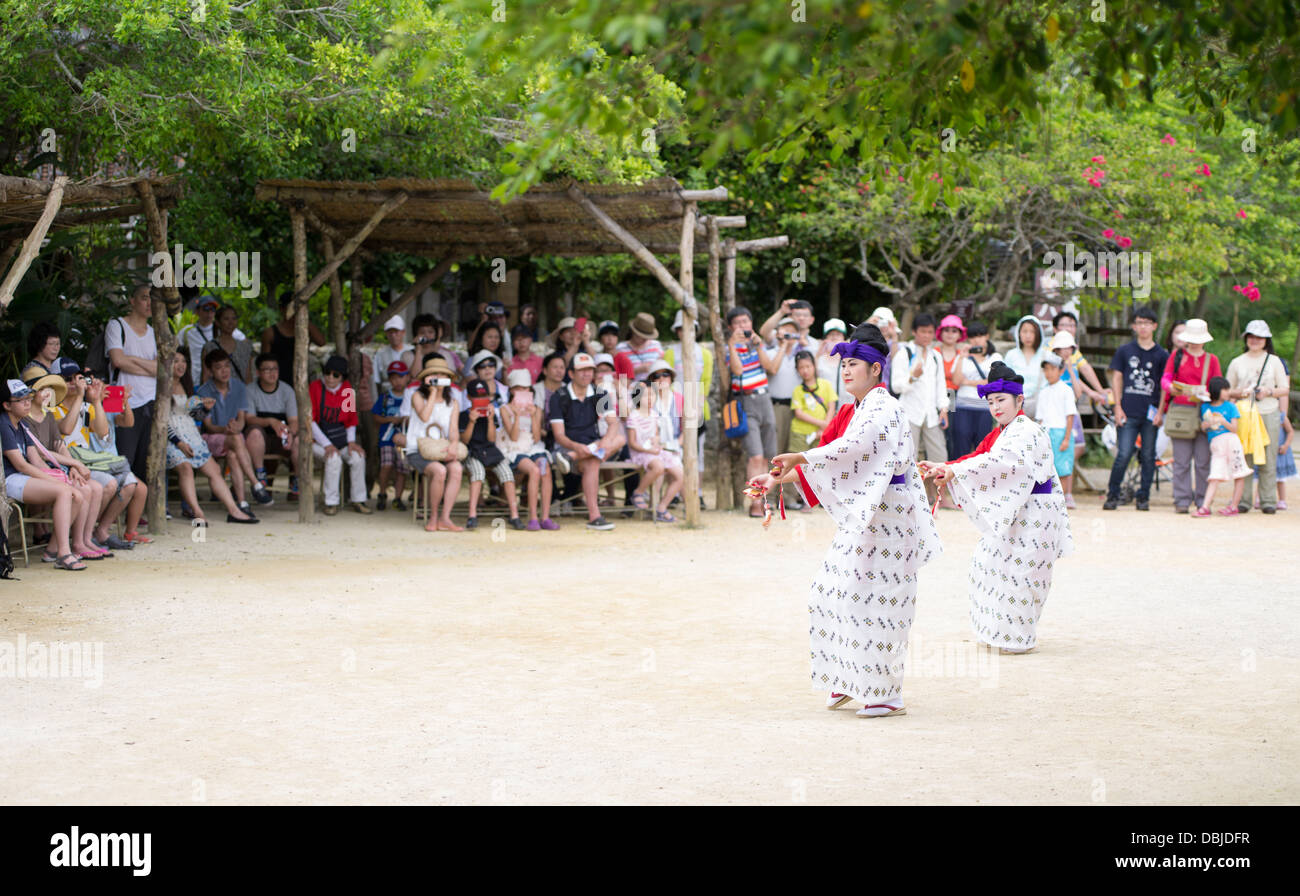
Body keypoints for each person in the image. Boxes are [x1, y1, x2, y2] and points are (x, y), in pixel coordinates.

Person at [752, 323, 940, 717]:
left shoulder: (884, 406)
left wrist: (798, 459)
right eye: (844, 364)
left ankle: (886, 692)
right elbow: (838, 459)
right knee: (830, 591)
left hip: (891, 513)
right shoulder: (856, 409)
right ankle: (848, 676)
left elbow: (849, 449)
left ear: (875, 369)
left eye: (855, 363)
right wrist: (775, 479)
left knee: (882, 601)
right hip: (867, 513)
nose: (847, 370)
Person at [922, 361, 1072, 654]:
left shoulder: (1026, 431)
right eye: (990, 402)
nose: (995, 407)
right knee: (986, 563)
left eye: (1001, 400)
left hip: (1037, 513)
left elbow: (1000, 463)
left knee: (1024, 573)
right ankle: (997, 631)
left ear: (1019, 400)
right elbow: (978, 458)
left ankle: (1019, 637)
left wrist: (955, 472)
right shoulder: (1003, 432)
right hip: (1017, 509)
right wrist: (945, 467)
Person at [51, 364, 144, 551]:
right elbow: (66, 429)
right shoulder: (53, 408)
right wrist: (79, 396)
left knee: (130, 482)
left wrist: (95, 402)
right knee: (109, 483)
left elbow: (102, 432)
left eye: (76, 379)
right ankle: (85, 535)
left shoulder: (89, 406)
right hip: (67, 464)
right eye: (67, 379)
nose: (72, 383)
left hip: (88, 462)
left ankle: (98, 531)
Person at [164, 350, 258, 525]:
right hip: (171, 438)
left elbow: (194, 415)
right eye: (176, 361)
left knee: (214, 470)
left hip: (191, 434)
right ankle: (198, 512)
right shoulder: (161, 387)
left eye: (184, 361)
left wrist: (205, 409)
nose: (181, 365)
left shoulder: (188, 385)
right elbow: (162, 421)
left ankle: (234, 510)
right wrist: (179, 443)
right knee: (185, 468)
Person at [1, 379, 85, 570]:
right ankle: (64, 554)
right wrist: (58, 484)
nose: (27, 402)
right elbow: (21, 465)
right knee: (64, 492)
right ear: (6, 405)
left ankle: (53, 550)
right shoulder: (3, 424)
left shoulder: (21, 425)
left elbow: (36, 460)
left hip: (23, 477)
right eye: (21, 399)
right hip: (8, 480)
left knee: (77, 496)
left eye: (28, 397)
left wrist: (59, 477)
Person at [26, 376, 109, 560]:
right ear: (31, 393)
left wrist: (72, 466)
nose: (48, 393)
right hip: (37, 470)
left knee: (93, 487)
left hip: (55, 466)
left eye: (50, 389)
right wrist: (73, 464)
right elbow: (39, 454)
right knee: (83, 490)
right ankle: (62, 547)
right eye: (42, 389)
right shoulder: (25, 418)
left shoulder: (47, 414)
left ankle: (81, 541)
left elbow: (59, 445)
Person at [548, 352, 624, 530]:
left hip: (591, 447)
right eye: (581, 370)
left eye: (590, 370)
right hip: (565, 448)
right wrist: (576, 447)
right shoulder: (559, 396)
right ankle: (594, 515)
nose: (586, 374)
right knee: (593, 461)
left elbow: (613, 424)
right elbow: (559, 436)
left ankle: (575, 457)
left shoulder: (600, 393)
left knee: (618, 439)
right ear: (572, 374)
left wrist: (604, 442)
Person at [1103, 306, 1169, 511]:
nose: (1143, 327)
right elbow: (1117, 377)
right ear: (1133, 326)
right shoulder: (1125, 351)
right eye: (1139, 323)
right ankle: (1113, 494)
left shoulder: (1162, 354)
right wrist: (1117, 408)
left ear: (1154, 326)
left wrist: (1160, 412)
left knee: (1148, 456)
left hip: (1151, 414)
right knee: (1123, 454)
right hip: (1128, 412)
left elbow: (1165, 384)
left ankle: (1143, 497)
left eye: (1147, 323)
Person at [1225, 319, 1290, 514]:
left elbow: (1284, 389)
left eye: (1259, 337)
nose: (1255, 340)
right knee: (1245, 457)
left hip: (1268, 412)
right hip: (1245, 413)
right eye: (1251, 336)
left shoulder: (1274, 361)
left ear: (1266, 340)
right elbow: (1227, 391)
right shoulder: (1237, 362)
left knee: (1269, 457)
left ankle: (1268, 500)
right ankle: (1243, 499)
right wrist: (1243, 392)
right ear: (1246, 338)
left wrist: (1268, 391)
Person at [1155, 318, 1220, 514]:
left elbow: (1217, 383)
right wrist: (1171, 388)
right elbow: (1165, 379)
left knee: (1202, 461)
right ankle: (1182, 499)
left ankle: (1202, 500)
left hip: (1203, 412)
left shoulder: (1212, 360)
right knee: (1181, 461)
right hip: (1181, 412)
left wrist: (1208, 394)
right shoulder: (1176, 356)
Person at [890, 312, 951, 507]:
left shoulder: (935, 356)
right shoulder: (904, 353)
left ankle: (940, 497)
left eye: (930, 332)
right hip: (909, 412)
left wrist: (944, 408)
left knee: (939, 455)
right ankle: (910, 497)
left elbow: (941, 385)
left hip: (931, 413)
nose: (926, 336)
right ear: (915, 332)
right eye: (923, 332)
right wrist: (913, 376)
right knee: (909, 456)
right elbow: (896, 386)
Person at [197, 348, 272, 509]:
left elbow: (242, 419)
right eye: (218, 367)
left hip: (234, 438)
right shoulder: (204, 391)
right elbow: (209, 426)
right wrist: (226, 430)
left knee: (233, 455)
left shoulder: (239, 387)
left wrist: (237, 427)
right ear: (210, 371)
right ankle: (256, 483)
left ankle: (242, 502)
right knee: (236, 440)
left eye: (226, 366)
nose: (224, 371)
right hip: (212, 439)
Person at [724, 306, 780, 519]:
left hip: (765, 398)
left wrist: (758, 346)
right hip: (745, 400)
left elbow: (769, 367)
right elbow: (737, 370)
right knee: (754, 456)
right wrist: (732, 344)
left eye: (745, 322)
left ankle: (765, 500)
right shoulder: (730, 348)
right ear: (730, 327)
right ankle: (754, 504)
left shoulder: (757, 344)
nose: (742, 327)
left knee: (768, 456)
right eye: (737, 323)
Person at [106, 283, 162, 482]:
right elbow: (118, 360)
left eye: (152, 299)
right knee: (121, 456)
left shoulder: (156, 332)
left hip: (150, 398)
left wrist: (133, 360)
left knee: (144, 460)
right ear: (132, 300)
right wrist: (150, 367)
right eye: (144, 297)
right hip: (118, 397)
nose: (149, 303)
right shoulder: (117, 325)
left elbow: (162, 369)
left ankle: (138, 511)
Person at [86, 379, 152, 545]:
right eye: (98, 386)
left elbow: (128, 422)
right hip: (97, 463)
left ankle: (129, 532)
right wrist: (97, 401)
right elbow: (99, 430)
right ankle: (93, 531)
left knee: (141, 489)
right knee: (115, 486)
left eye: (104, 386)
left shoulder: (108, 408)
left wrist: (125, 403)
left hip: (113, 463)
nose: (103, 389)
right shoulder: (86, 409)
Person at [403, 357, 464, 533]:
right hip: (418, 449)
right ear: (426, 378)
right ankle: (434, 517)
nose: (438, 377)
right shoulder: (417, 395)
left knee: (457, 469)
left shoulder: (452, 402)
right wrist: (432, 393)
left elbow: (453, 429)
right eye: (434, 374)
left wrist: (454, 443)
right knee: (440, 471)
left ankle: (445, 518)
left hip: (440, 449)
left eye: (442, 375)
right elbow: (424, 416)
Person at [763, 315, 818, 509]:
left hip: (797, 406)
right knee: (774, 451)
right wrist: (782, 346)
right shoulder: (770, 351)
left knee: (792, 453)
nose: (789, 334)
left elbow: (814, 365)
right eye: (785, 330)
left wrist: (799, 343)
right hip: (776, 406)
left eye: (792, 331)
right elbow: (772, 370)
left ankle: (788, 498)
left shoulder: (802, 355)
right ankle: (769, 497)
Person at [309, 355, 371, 515]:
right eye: (327, 373)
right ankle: (331, 502)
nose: (330, 377)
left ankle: (358, 499)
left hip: (340, 439)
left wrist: (351, 442)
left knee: (358, 457)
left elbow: (350, 420)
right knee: (333, 459)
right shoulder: (315, 388)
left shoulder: (347, 390)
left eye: (336, 375)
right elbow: (311, 421)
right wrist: (326, 445)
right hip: (318, 439)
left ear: (342, 377)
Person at [460, 378, 523, 530]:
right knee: (477, 474)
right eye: (477, 397)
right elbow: (465, 440)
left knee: (507, 475)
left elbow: (492, 439)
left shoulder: (491, 413)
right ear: (469, 398)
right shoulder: (463, 415)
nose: (481, 400)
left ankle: (514, 515)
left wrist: (489, 419)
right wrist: (472, 421)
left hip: (490, 450)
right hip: (472, 451)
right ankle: (472, 514)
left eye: (484, 397)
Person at [626, 361, 685, 522]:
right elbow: (634, 438)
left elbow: (687, 426)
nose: (661, 379)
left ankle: (662, 507)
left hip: (669, 445)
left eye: (665, 374)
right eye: (656, 376)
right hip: (648, 451)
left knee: (679, 472)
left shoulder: (679, 399)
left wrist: (677, 444)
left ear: (671, 377)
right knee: (658, 469)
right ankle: (653, 505)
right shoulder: (642, 408)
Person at [499, 369, 556, 530]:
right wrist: (517, 416)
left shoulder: (536, 409)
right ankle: (532, 517)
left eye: (525, 389)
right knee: (534, 470)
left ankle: (545, 517)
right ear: (511, 390)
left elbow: (537, 438)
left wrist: (532, 417)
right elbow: (514, 438)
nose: (522, 392)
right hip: (514, 449)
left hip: (533, 447)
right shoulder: (505, 409)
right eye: (518, 388)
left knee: (544, 468)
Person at [1192, 376, 1253, 516]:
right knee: (1214, 475)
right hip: (1216, 444)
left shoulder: (1231, 406)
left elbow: (1234, 428)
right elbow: (1203, 427)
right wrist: (1206, 425)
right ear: (1216, 391)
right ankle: (1205, 506)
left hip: (1232, 442)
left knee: (1239, 472)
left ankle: (1234, 505)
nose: (1227, 392)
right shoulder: (1205, 407)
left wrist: (1222, 421)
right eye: (1225, 389)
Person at [245, 353, 299, 499]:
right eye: (267, 369)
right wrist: (270, 421)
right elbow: (249, 419)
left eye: (275, 369)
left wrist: (291, 434)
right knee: (254, 433)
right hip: (260, 439)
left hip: (281, 438)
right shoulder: (250, 390)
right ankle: (260, 475)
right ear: (258, 372)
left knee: (299, 440)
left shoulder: (287, 391)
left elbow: (294, 420)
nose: (272, 373)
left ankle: (297, 479)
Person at [949, 321, 1001, 458]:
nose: (976, 340)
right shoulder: (963, 357)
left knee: (982, 450)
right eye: (972, 337)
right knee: (960, 448)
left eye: (980, 335)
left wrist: (967, 382)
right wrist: (961, 357)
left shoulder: (995, 357)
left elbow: (994, 382)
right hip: (962, 407)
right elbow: (956, 380)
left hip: (984, 408)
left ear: (987, 336)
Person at [261, 288, 328, 389]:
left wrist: (304, 319)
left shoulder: (305, 330)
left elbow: (321, 342)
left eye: (297, 309)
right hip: (277, 383)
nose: (294, 313)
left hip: (301, 382)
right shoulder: (270, 333)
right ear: (282, 309)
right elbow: (264, 362)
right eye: (291, 308)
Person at [1035, 355, 1078, 507]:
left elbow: (1070, 416)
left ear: (1061, 371)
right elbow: (1039, 418)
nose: (1048, 373)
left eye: (1052, 369)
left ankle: (1065, 496)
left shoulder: (1066, 390)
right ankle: (1049, 497)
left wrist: (1066, 438)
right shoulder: (1043, 391)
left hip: (1061, 431)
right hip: (1046, 431)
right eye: (1046, 369)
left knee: (1063, 466)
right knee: (1046, 465)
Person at [372, 360, 411, 511]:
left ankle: (397, 498)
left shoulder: (411, 396)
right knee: (386, 465)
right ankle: (382, 494)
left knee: (402, 468)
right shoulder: (385, 398)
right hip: (386, 439)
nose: (397, 381)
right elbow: (375, 416)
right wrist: (390, 419)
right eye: (394, 377)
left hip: (403, 439)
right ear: (389, 380)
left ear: (407, 377)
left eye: (401, 377)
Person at [788, 349, 836, 457]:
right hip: (800, 434)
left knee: (818, 464)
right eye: (801, 367)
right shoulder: (798, 390)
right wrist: (823, 424)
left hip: (821, 433)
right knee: (798, 464)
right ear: (797, 370)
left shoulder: (826, 385)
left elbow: (831, 407)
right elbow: (798, 414)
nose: (805, 370)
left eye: (808, 366)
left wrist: (824, 428)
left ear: (814, 366)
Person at [1003, 314, 1047, 415]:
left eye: (1032, 332)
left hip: (1040, 408)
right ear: (1019, 333)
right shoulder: (1011, 355)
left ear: (1038, 334)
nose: (1028, 335)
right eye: (1024, 331)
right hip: (1014, 407)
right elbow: (1005, 381)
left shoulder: (1045, 355)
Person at [200, 304, 254, 384]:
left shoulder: (245, 347)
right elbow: (206, 377)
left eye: (234, 318)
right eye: (226, 319)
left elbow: (248, 377)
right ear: (218, 322)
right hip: (217, 394)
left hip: (241, 393)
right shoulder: (209, 347)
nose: (231, 322)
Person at [178, 295, 219, 378]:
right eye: (206, 309)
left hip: (216, 379)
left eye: (213, 309)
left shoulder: (221, 330)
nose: (209, 313)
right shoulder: (187, 331)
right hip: (194, 380)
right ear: (197, 311)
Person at [615, 312, 665, 381]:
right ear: (634, 332)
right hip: (631, 390)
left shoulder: (656, 346)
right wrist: (636, 371)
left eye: (647, 336)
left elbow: (663, 371)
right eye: (641, 336)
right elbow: (617, 375)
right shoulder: (621, 349)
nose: (645, 339)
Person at [815, 318, 853, 407]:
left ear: (844, 339)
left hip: (847, 406)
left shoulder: (851, 358)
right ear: (825, 339)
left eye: (838, 334)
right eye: (831, 335)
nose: (834, 337)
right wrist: (817, 355)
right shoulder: (819, 358)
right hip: (824, 407)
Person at [371, 315, 412, 388]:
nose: (393, 335)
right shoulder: (380, 354)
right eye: (390, 332)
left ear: (403, 332)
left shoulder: (412, 351)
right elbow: (376, 380)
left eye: (396, 332)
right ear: (386, 333)